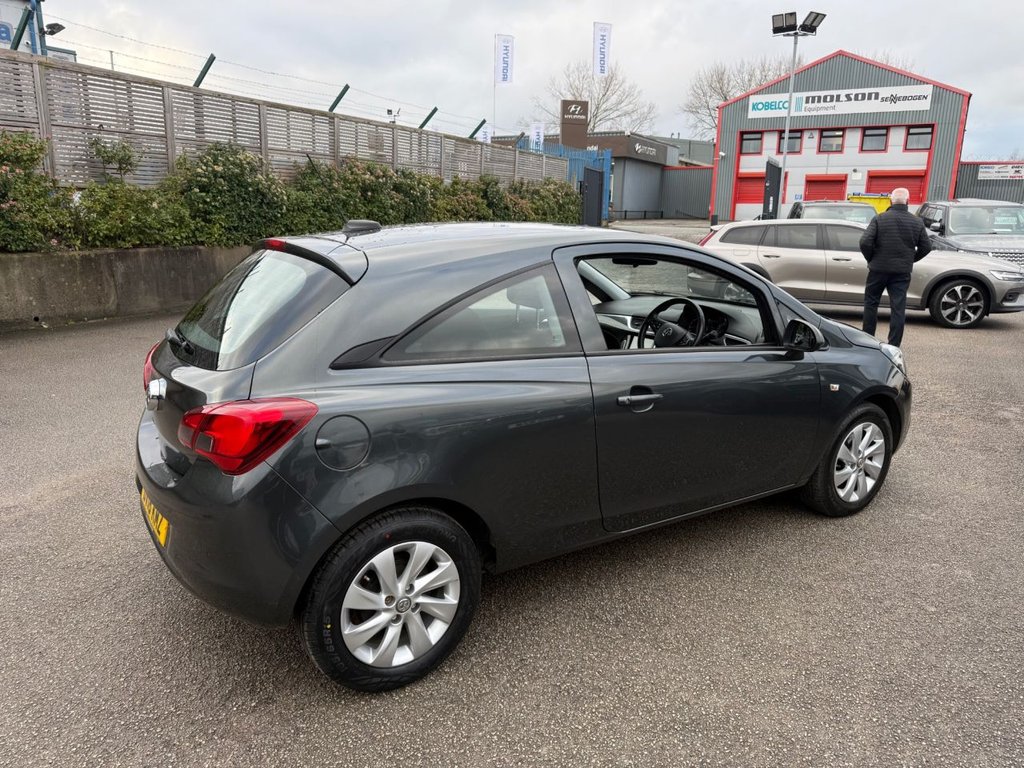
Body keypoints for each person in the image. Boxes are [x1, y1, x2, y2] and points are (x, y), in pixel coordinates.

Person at [858, 187, 932, 347]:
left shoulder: (879, 218)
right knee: (898, 308)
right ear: (908, 201)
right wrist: (910, 260)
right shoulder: (917, 222)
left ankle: (868, 342)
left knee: (871, 304)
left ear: (891, 201)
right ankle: (894, 345)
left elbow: (864, 242)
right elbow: (926, 247)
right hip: (901, 272)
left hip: (878, 269)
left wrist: (872, 258)